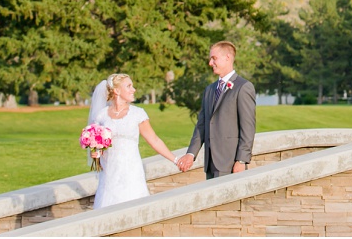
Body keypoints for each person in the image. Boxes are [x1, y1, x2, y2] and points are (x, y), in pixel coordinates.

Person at [87, 73, 178, 209]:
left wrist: (176, 160)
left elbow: (154, 140)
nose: (133, 89)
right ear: (117, 91)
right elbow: (98, 145)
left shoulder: (137, 114)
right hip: (110, 173)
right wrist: (96, 153)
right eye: (129, 86)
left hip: (131, 171)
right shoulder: (101, 116)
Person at [176, 41, 256, 179]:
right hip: (211, 163)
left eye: (214, 58)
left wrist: (241, 160)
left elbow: (248, 128)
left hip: (231, 164)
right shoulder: (209, 90)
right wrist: (191, 154)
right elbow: (202, 125)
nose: (210, 63)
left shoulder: (243, 87)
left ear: (228, 58)